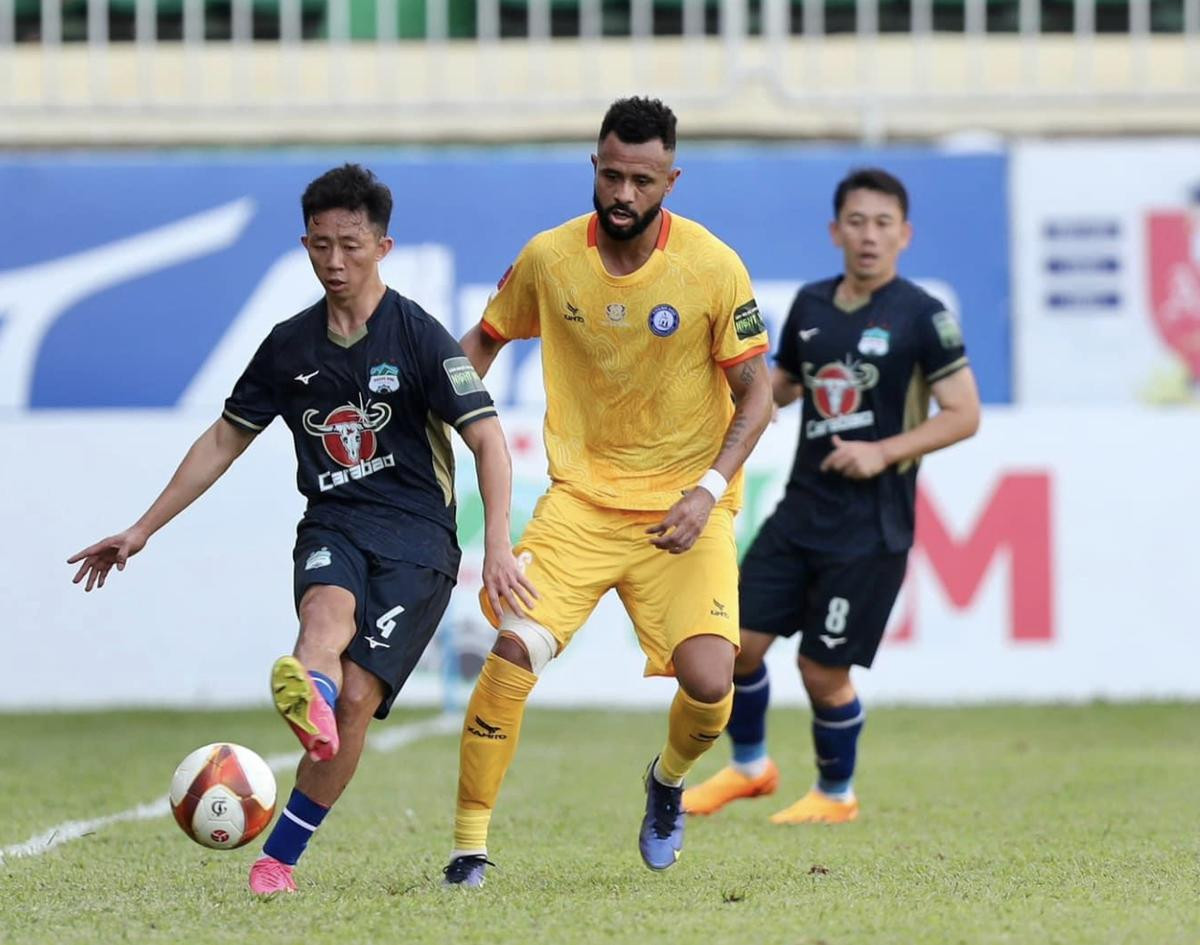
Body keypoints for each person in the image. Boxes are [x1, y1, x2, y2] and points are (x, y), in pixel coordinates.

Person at [67, 163, 535, 894]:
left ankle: (284, 836)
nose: (335, 261)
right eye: (320, 245)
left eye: (350, 244)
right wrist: (141, 527)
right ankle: (307, 700)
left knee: (358, 700)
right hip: (335, 520)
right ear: (304, 244)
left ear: (383, 246)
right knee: (323, 617)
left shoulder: (418, 335)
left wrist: (497, 542)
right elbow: (224, 438)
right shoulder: (289, 346)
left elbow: (486, 439)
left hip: (419, 541)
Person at [440, 96, 774, 887]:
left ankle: (666, 782)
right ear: (595, 166)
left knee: (709, 683)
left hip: (685, 513)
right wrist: (434, 414)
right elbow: (482, 341)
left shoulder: (712, 267)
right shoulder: (551, 259)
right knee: (512, 650)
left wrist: (707, 487)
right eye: (612, 175)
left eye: (643, 180)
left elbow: (757, 395)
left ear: (671, 179)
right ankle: (468, 846)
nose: (624, 194)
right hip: (582, 507)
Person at [682, 167, 981, 824]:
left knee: (822, 669)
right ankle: (751, 765)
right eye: (856, 222)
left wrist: (883, 450)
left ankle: (836, 794)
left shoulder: (923, 317)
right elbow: (779, 387)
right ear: (834, 230)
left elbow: (964, 413)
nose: (868, 236)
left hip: (870, 528)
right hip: (800, 510)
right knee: (733, 646)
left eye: (882, 224)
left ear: (903, 234)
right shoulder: (813, 307)